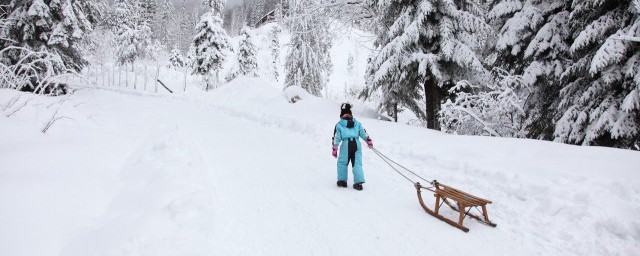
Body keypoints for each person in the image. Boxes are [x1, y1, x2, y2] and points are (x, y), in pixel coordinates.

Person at [331, 103, 373, 191]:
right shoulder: (357, 123)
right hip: (357, 144)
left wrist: (335, 148)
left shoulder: (339, 125)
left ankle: (342, 181)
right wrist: (368, 140)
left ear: (341, 114)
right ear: (351, 113)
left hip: (346, 144)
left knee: (342, 162)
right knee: (357, 163)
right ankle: (358, 183)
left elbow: (336, 137)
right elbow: (363, 132)